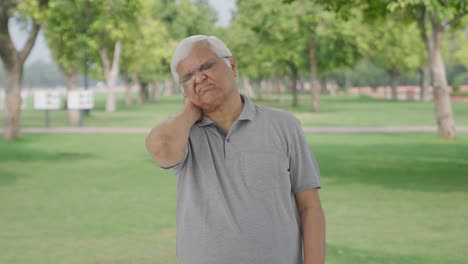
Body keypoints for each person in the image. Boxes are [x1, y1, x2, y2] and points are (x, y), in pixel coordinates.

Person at [146, 35, 325, 264]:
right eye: (188, 77)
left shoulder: (284, 125)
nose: (199, 78)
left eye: (206, 66)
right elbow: (160, 148)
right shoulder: (184, 135)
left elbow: (310, 207)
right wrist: (190, 111)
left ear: (232, 65)